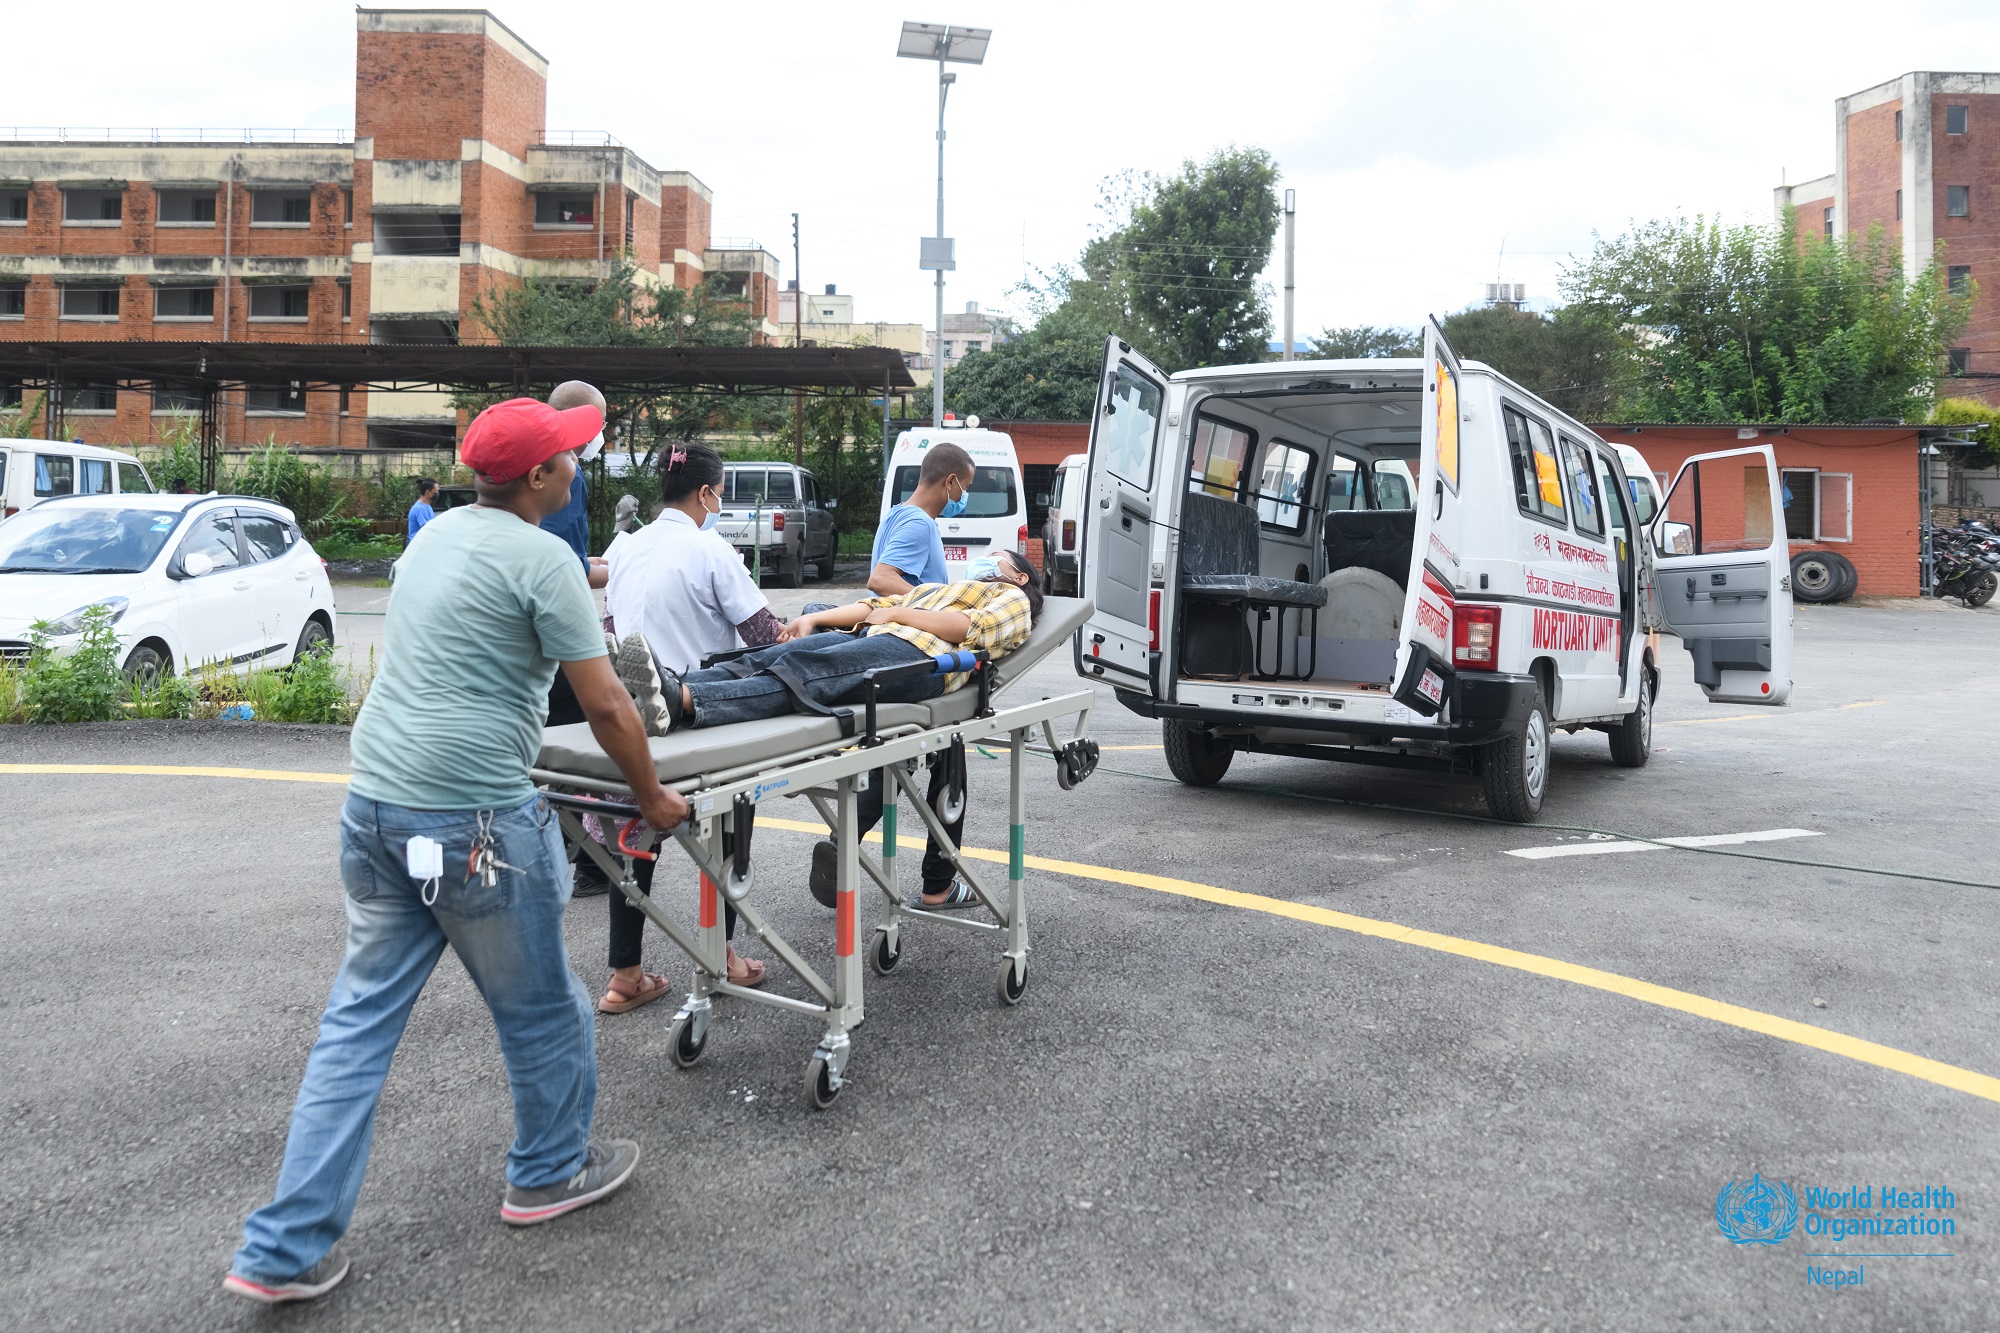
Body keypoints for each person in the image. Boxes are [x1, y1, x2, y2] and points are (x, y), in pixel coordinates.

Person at [224, 398, 690, 1306]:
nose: (576, 469)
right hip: (476, 824)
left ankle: (281, 1247)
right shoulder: (545, 558)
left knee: (356, 1024)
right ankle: (548, 1172)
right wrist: (650, 796)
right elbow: (607, 704)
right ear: (540, 477)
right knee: (544, 1009)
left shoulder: (432, 538)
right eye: (568, 458)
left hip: (375, 807)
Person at [618, 552, 1042, 911]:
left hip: (919, 657)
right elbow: (871, 607)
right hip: (873, 637)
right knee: (772, 658)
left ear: (1018, 575)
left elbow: (973, 629)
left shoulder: (1013, 598)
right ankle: (659, 688)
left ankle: (684, 701)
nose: (985, 561)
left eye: (996, 558)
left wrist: (898, 614)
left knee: (806, 674)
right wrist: (814, 619)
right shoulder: (938, 589)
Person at [598, 443, 776, 1008]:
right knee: (726, 832)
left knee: (635, 841)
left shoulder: (627, 548)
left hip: (631, 718)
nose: (719, 503)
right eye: (719, 493)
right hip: (698, 715)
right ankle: (722, 958)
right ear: (705, 494)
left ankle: (625, 976)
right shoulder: (711, 549)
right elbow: (763, 635)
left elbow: (611, 630)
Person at [406, 477, 438, 542]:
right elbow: (427, 530)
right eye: (436, 492)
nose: (437, 494)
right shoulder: (421, 509)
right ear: (428, 492)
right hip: (418, 544)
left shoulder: (426, 506)